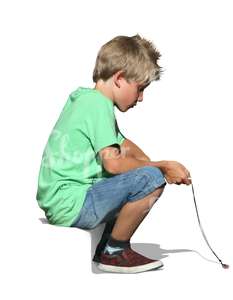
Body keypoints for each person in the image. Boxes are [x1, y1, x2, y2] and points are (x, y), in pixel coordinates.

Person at [36, 34, 191, 274]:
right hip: (72, 203)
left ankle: (107, 246)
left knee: (143, 173)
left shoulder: (86, 101)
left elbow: (126, 147)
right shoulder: (98, 105)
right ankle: (113, 252)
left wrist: (154, 164)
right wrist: (160, 169)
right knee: (150, 178)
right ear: (119, 78)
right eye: (140, 89)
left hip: (61, 201)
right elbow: (114, 165)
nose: (141, 98)